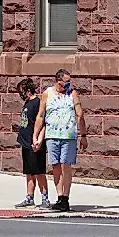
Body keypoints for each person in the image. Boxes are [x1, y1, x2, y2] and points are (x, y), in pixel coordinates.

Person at [40, 68, 84, 212]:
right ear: (58, 81)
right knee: (55, 165)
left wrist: (83, 135)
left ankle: (65, 197)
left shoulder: (72, 94)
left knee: (66, 165)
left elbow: (80, 114)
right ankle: (59, 197)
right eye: (66, 81)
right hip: (52, 135)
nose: (68, 84)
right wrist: (37, 135)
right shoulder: (47, 93)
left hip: (68, 136)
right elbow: (41, 116)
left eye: (69, 82)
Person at [13, 77, 46, 207]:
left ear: (28, 90)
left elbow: (43, 123)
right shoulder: (27, 103)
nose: (20, 94)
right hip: (25, 143)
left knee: (38, 172)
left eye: (21, 91)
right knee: (29, 172)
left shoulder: (37, 102)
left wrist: (38, 139)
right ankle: (29, 197)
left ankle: (45, 198)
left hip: (35, 144)